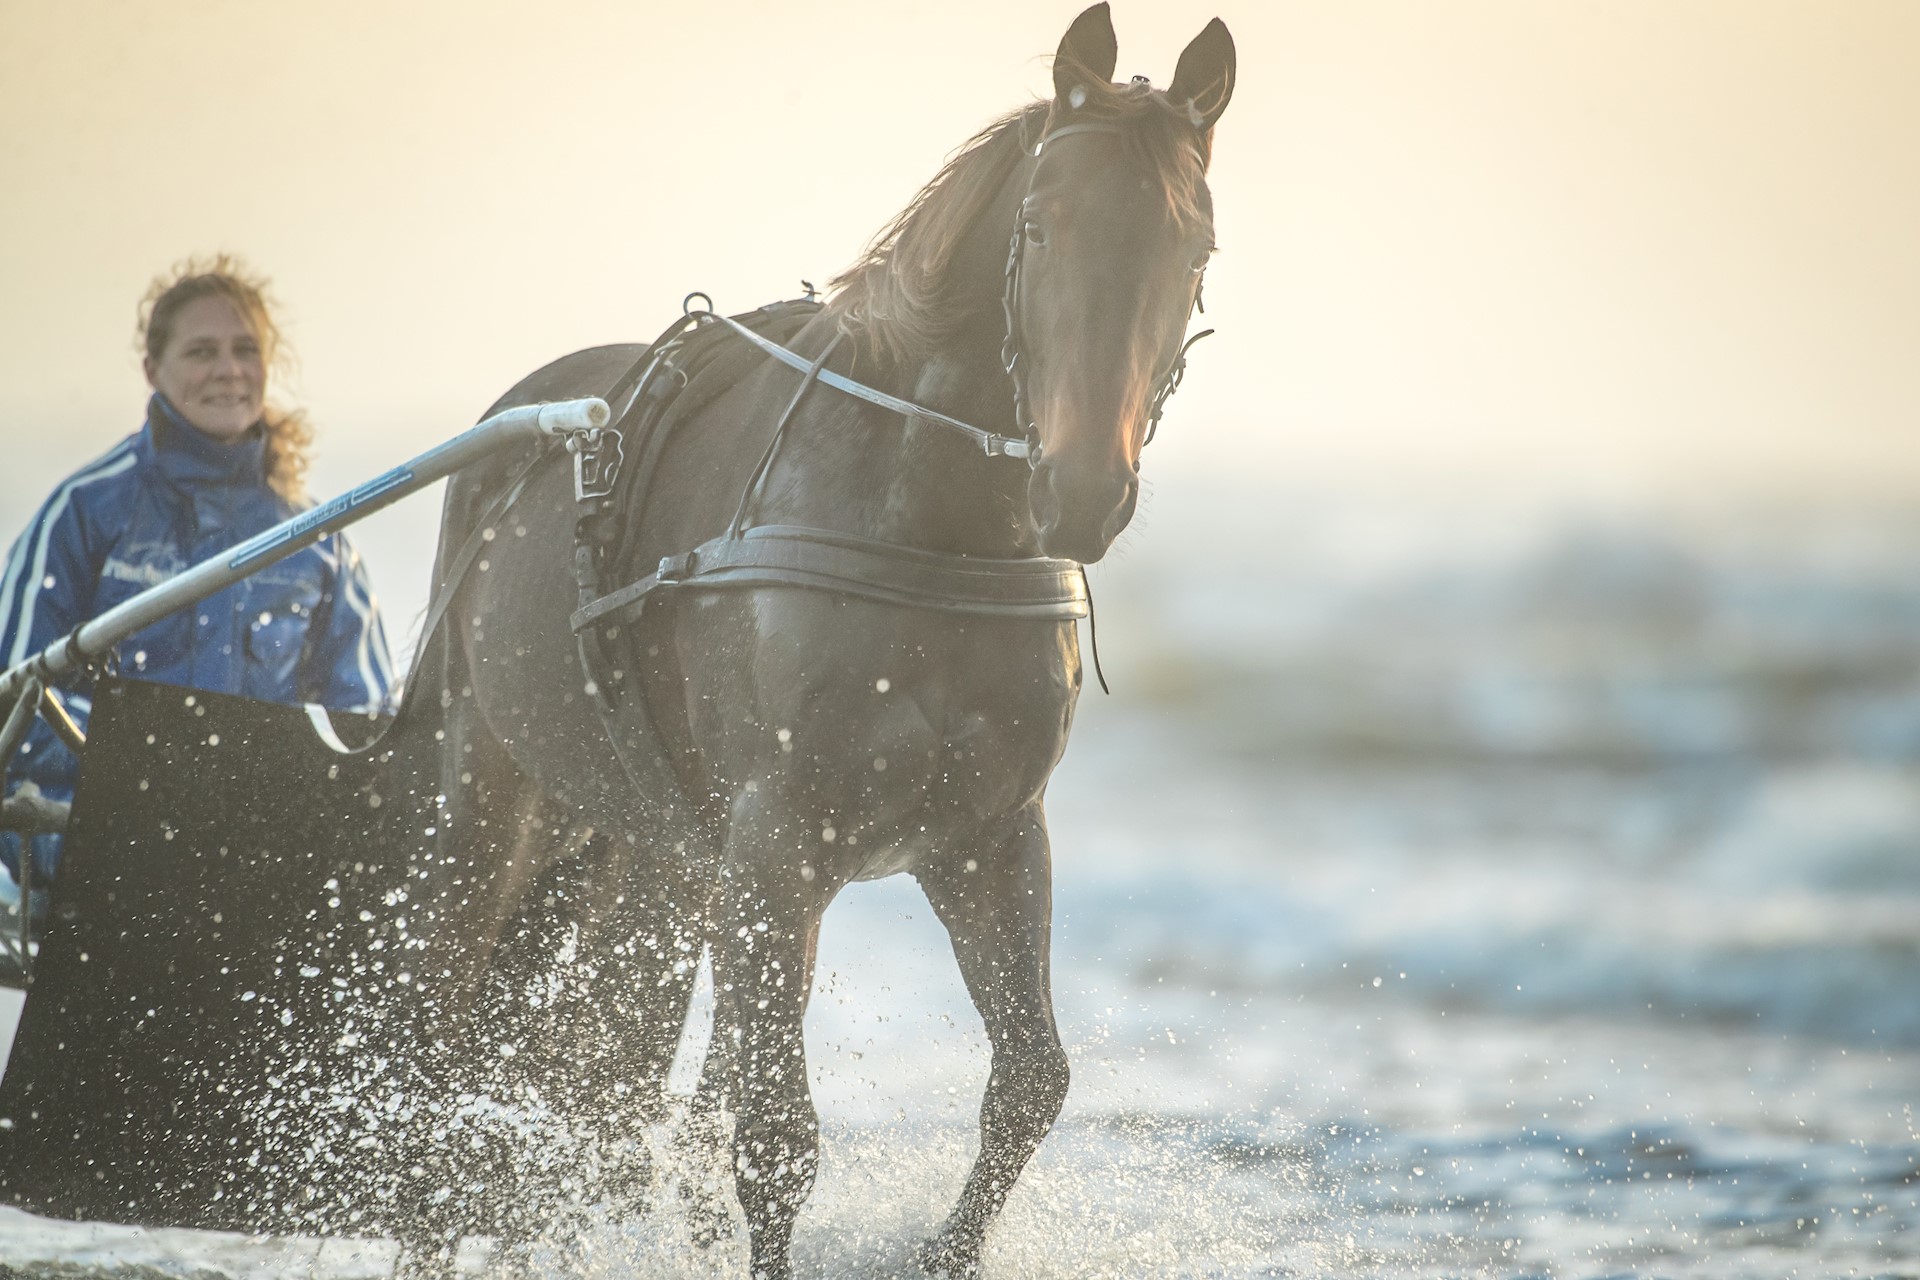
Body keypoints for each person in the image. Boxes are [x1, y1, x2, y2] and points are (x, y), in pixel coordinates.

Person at [0, 255, 394, 912]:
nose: (229, 370)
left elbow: (367, 729)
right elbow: (14, 708)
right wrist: (161, 781)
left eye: (246, 350)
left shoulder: (318, 542)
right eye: (202, 351)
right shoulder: (85, 512)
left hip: (261, 879)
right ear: (154, 369)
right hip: (93, 864)